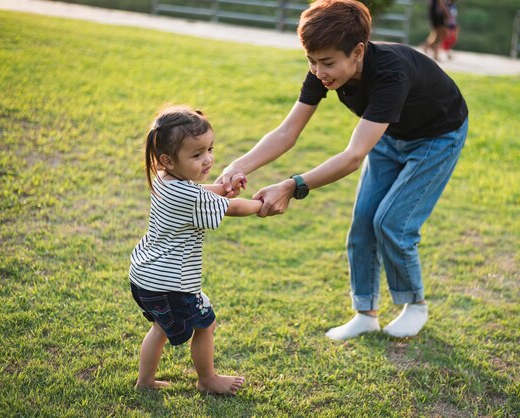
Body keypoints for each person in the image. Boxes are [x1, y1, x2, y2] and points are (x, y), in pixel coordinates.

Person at [217, 0, 468, 340]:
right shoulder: (324, 69)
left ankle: (415, 305)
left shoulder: (390, 73)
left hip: (436, 137)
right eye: (311, 61)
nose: (319, 71)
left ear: (358, 52)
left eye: (327, 63)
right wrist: (238, 165)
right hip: (389, 136)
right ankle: (366, 313)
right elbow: (287, 131)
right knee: (363, 222)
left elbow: (353, 156)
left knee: (392, 222)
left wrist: (292, 186)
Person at [130, 105, 262, 395]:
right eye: (197, 154)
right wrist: (262, 205)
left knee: (160, 329)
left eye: (210, 149)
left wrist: (221, 189)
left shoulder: (164, 178)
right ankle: (208, 379)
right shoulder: (188, 195)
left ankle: (145, 382)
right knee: (206, 323)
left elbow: (199, 193)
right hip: (172, 283)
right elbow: (234, 208)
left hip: (146, 276)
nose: (209, 159)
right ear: (168, 159)